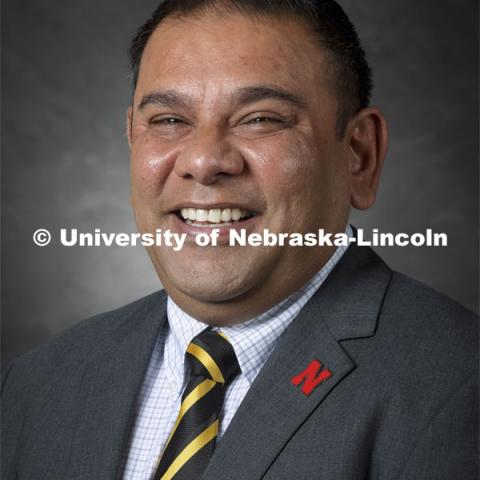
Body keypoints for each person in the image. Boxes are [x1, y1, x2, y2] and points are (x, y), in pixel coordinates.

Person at [2, 1, 477, 479]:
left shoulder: (458, 387)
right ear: (132, 138)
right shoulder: (37, 385)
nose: (205, 161)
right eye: (168, 120)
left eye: (261, 118)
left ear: (359, 155)